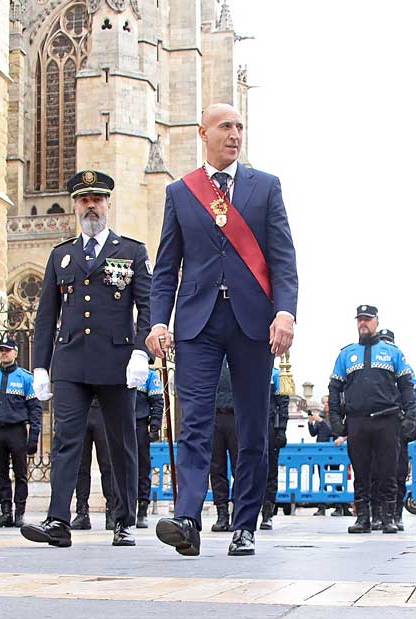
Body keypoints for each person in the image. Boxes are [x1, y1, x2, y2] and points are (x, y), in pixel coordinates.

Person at [146, 103, 299, 557]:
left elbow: (283, 259)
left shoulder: (265, 187)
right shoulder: (180, 192)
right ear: (203, 133)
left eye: (239, 127)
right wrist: (158, 319)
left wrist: (285, 312)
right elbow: (166, 266)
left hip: (253, 323)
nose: (234, 134)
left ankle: (245, 523)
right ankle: (188, 517)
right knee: (194, 423)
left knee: (253, 426)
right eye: (225, 127)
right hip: (197, 322)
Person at [22, 169, 152, 549]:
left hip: (116, 361)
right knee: (65, 441)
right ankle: (57, 520)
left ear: (108, 204)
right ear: (76, 206)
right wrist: (41, 365)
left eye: (97, 199)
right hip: (71, 361)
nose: (90, 206)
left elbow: (147, 306)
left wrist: (141, 352)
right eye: (83, 200)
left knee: (122, 443)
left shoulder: (130, 251)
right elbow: (46, 313)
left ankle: (124, 520)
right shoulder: (62, 256)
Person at [328, 305, 416, 535]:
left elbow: (408, 388)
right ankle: (363, 518)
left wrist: (411, 418)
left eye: (367, 320)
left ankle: (388, 517)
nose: (363, 324)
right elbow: (334, 389)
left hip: (386, 420)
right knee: (361, 472)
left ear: (376, 322)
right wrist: (336, 421)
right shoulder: (346, 354)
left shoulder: (392, 353)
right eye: (360, 320)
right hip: (357, 421)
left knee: (388, 471)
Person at [0, 338, 41, 528]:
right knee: (0, 473)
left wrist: (34, 437)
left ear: (15, 353)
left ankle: (19, 512)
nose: (4, 353)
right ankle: (5, 511)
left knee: (20, 474)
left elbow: (35, 409)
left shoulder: (26, 378)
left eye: (7, 350)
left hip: (17, 431)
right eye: (1, 350)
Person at [377, 328, 416, 532]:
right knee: (376, 474)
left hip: (399, 427)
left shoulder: (405, 368)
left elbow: (414, 400)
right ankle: (378, 514)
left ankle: (396, 513)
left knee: (398, 473)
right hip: (380, 426)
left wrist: (411, 427)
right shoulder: (375, 367)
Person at [72, 401, 115, 530]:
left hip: (103, 409)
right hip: (82, 409)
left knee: (107, 465)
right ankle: (82, 512)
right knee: (81, 466)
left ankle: (112, 511)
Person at [209, 357, 238, 532]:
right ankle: (222, 513)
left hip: (236, 416)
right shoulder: (212, 357)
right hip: (215, 416)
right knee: (217, 467)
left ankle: (238, 512)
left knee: (239, 467)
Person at [261, 364, 291, 530]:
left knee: (270, 471)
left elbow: (283, 404)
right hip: (251, 426)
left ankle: (267, 513)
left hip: (271, 427)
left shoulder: (278, 374)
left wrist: (282, 430)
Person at [134, 366, 164, 529]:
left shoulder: (149, 374)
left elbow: (157, 402)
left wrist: (154, 427)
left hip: (139, 425)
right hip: (121, 424)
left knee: (142, 469)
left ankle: (142, 509)